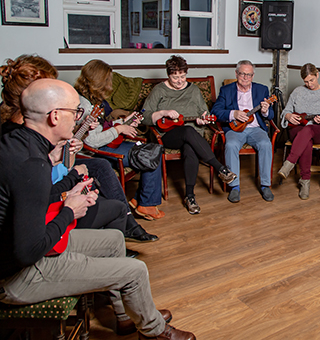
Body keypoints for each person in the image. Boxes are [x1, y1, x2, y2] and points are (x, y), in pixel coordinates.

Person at [0, 78, 196, 340]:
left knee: (115, 239)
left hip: (27, 247)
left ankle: (126, 318)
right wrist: (70, 210)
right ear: (55, 116)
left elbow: (30, 198)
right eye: (75, 112)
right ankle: (154, 332)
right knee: (135, 270)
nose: (79, 117)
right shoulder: (32, 164)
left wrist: (66, 181)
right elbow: (28, 252)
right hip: (16, 276)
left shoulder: (19, 141)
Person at [0, 55, 157, 243]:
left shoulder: (31, 129)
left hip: (57, 175)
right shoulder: (19, 142)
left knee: (110, 165)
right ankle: (118, 229)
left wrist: (113, 125)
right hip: (42, 214)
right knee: (106, 173)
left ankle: (126, 224)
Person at [141, 55, 236, 214]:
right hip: (167, 134)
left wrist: (203, 120)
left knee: (190, 147)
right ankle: (220, 168)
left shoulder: (193, 90)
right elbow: (144, 116)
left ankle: (190, 196)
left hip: (193, 137)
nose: (179, 81)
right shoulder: (159, 90)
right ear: (168, 75)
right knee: (188, 131)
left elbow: (203, 112)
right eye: (175, 77)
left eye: (182, 76)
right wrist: (163, 112)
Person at [75, 59, 166, 222]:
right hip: (95, 151)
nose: (111, 84)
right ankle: (146, 204)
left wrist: (124, 122)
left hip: (109, 143)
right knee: (150, 155)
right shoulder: (85, 106)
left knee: (150, 150)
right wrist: (119, 129)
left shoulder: (92, 98)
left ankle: (141, 200)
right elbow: (91, 141)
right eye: (109, 80)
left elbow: (102, 126)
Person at [211, 60, 275, 203]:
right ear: (236, 74)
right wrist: (233, 114)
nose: (246, 78)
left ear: (253, 76)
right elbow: (215, 111)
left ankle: (265, 185)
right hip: (235, 129)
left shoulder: (262, 89)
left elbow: (270, 116)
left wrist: (265, 111)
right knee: (231, 145)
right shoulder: (226, 90)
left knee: (266, 144)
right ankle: (234, 187)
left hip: (255, 129)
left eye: (249, 75)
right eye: (242, 74)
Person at [278, 63, 320, 199]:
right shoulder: (298, 91)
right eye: (306, 81)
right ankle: (305, 182)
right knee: (306, 140)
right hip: (298, 128)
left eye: (312, 80)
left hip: (319, 130)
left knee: (309, 129)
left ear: (317, 75)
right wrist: (288, 116)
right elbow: (286, 111)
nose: (309, 84)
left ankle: (289, 163)